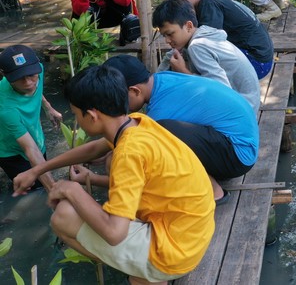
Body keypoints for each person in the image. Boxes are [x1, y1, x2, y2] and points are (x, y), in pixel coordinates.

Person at [13, 65, 215, 284]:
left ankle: (149, 274)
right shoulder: (137, 123)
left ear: (91, 115)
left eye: (75, 113)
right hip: (193, 234)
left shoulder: (128, 154)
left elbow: (114, 233)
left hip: (174, 254)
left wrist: (70, 190)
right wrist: (37, 170)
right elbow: (94, 148)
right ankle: (146, 271)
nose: (75, 120)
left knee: (63, 216)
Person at [103, 55, 259, 205]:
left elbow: (127, 139)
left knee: (160, 133)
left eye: (119, 99)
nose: (118, 106)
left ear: (135, 91)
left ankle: (214, 192)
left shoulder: (159, 110)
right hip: (237, 143)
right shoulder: (162, 79)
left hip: (237, 155)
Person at [157, 0, 275, 79]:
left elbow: (207, 45)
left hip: (257, 62)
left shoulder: (208, 5)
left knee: (194, 54)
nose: (173, 3)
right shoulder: (208, 0)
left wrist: (184, 70)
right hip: (261, 55)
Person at [152, 0, 261, 112]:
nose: (167, 41)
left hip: (241, 111)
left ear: (188, 26)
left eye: (170, 34)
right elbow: (168, 60)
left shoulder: (197, 46)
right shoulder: (202, 34)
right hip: (246, 104)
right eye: (164, 36)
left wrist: (183, 71)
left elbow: (221, 88)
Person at [0, 45, 61, 191]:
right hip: (10, 150)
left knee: (42, 173)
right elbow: (30, 148)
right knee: (32, 188)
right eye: (19, 78)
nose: (28, 83)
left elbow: (36, 88)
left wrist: (48, 108)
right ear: (5, 75)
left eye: (31, 75)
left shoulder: (37, 69)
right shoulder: (5, 107)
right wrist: (54, 191)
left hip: (35, 137)